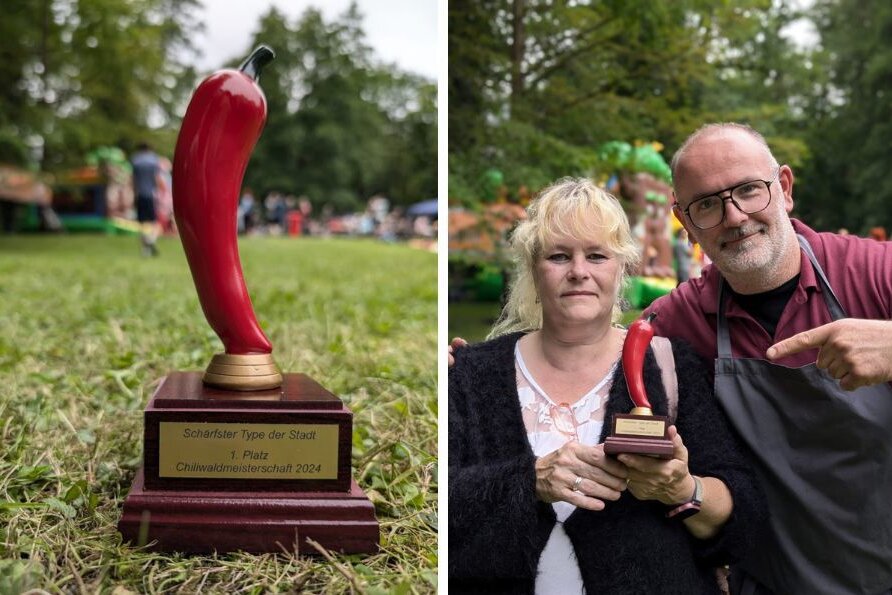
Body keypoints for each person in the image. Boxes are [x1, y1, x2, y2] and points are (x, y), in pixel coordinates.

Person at [449, 178, 766, 594]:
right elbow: (444, 501)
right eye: (559, 256)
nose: (579, 271)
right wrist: (530, 482)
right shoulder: (472, 372)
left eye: (596, 256)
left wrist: (682, 488)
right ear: (533, 269)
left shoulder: (670, 365)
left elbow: (742, 514)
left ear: (621, 268)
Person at [645, 122, 892, 595]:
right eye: (707, 204)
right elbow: (587, 367)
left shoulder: (875, 273)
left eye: (748, 191)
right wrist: (473, 369)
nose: (734, 217)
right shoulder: (676, 321)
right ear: (686, 222)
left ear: (784, 187)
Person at [130, 142, 161, 256]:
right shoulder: (154, 160)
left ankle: (145, 249)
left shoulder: (135, 160)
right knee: (153, 221)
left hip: (140, 195)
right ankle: (151, 240)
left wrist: (134, 195)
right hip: (151, 195)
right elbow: (157, 178)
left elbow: (133, 180)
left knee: (142, 222)